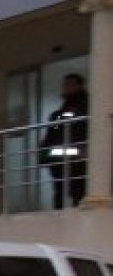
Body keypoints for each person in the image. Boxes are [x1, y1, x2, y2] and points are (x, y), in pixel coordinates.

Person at [40, 73, 89, 210]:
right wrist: (43, 155)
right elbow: (53, 133)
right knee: (60, 195)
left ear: (79, 85)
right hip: (61, 162)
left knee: (78, 194)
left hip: (78, 162)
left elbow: (85, 130)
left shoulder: (87, 107)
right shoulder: (60, 112)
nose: (65, 87)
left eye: (69, 84)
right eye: (65, 84)